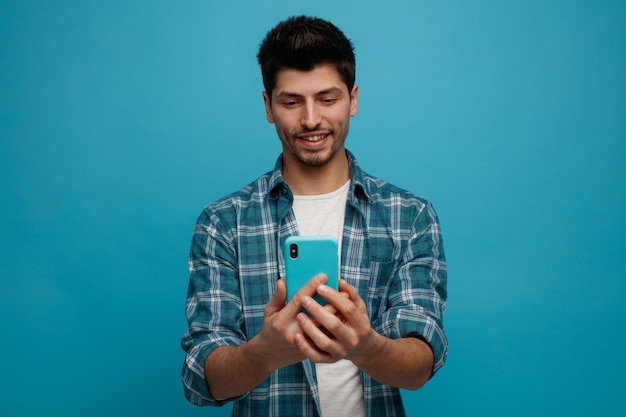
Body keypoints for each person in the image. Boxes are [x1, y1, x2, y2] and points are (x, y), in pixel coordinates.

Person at [181, 15, 447, 417]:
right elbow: (201, 379)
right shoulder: (223, 223)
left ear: (353, 99)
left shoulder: (409, 217)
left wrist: (364, 346)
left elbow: (420, 367)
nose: (310, 120)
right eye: (291, 101)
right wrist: (264, 353)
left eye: (327, 99)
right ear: (268, 106)